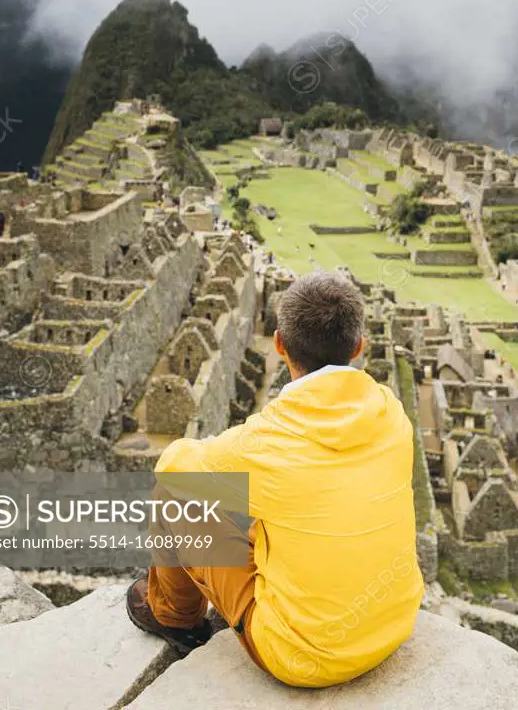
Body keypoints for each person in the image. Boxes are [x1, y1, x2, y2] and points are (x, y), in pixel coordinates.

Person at [126, 272, 423, 688]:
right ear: (358, 347)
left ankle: (174, 618)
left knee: (174, 497)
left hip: (304, 656)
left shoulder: (270, 439)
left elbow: (174, 469)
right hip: (395, 623)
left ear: (280, 343)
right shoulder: (389, 412)